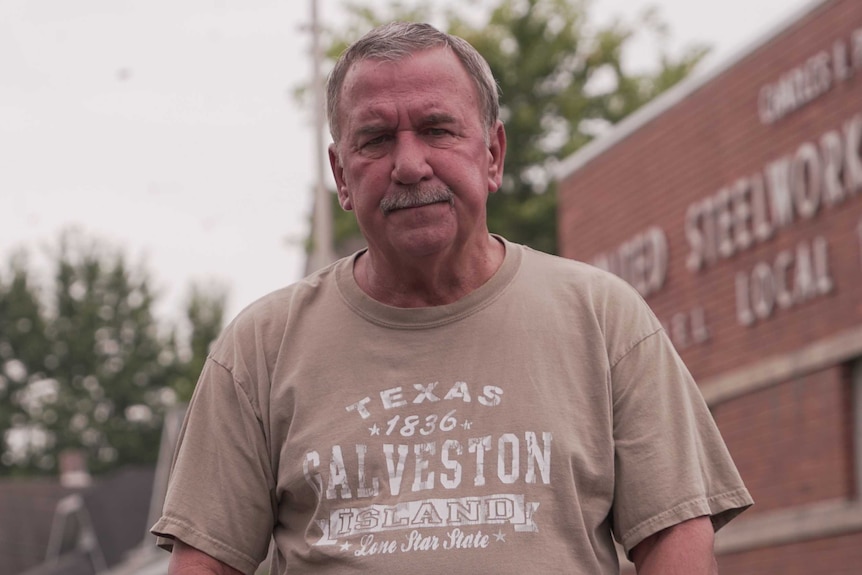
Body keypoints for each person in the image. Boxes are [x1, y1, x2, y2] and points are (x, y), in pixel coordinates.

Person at [152, 21, 752, 575]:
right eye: (376, 140)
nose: (409, 165)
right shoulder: (260, 348)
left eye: (438, 130)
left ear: (492, 153)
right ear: (341, 174)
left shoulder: (604, 320)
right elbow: (206, 564)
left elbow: (676, 541)